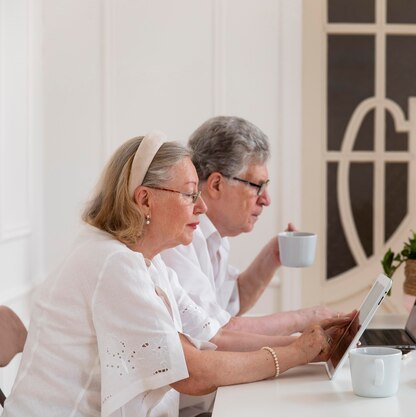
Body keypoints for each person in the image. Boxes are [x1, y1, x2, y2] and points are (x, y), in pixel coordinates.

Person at [2, 133, 349, 417]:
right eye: (188, 194)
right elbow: (194, 373)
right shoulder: (113, 264)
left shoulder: (147, 261)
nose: (200, 207)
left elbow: (214, 336)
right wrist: (297, 353)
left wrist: (311, 343)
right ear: (145, 200)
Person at [161, 116, 337, 336]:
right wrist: (303, 319)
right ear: (217, 184)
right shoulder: (177, 238)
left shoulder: (215, 236)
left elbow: (229, 304)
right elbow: (215, 330)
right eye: (257, 186)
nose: (266, 200)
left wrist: (272, 256)